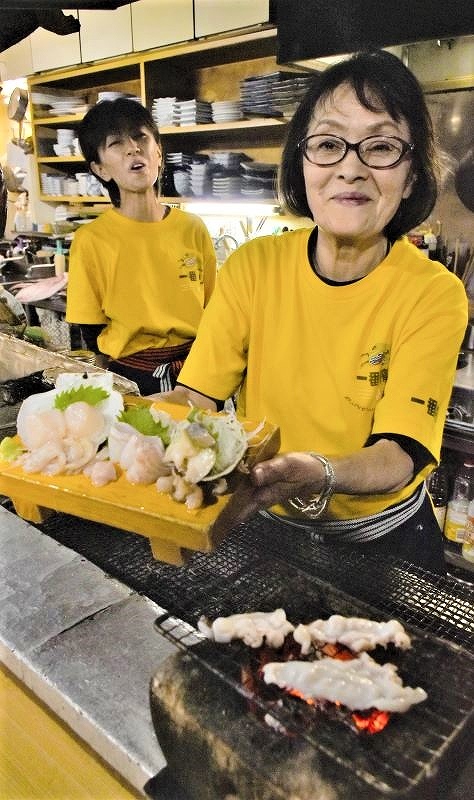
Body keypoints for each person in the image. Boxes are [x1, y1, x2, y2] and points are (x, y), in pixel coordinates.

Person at [165, 50, 468, 574]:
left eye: (381, 147)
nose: (350, 168)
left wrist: (317, 470)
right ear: (301, 163)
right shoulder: (253, 266)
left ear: (414, 174)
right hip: (269, 525)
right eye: (328, 144)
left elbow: (399, 454)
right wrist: (122, 424)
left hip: (384, 541)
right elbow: (195, 398)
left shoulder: (433, 293)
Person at [66, 98, 216, 394]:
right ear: (100, 169)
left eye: (141, 137)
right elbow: (91, 332)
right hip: (131, 380)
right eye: (116, 143)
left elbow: (215, 312)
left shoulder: (193, 228)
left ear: (158, 153)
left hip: (199, 372)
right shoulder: (92, 240)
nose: (133, 148)